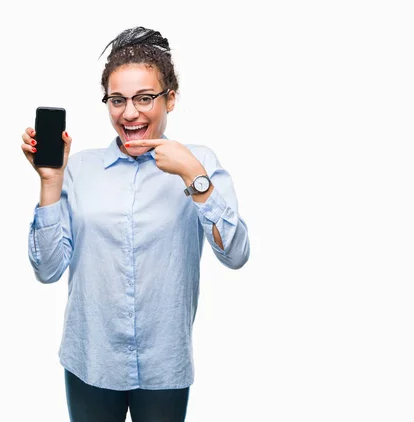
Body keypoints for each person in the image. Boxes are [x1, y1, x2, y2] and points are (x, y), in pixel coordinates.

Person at [21, 26, 250, 422]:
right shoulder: (80, 170)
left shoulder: (199, 163)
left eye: (144, 98)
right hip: (91, 360)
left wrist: (193, 177)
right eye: (117, 100)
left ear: (170, 99)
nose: (129, 113)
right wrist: (50, 182)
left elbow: (236, 254)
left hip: (164, 365)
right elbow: (48, 270)